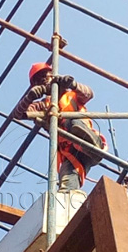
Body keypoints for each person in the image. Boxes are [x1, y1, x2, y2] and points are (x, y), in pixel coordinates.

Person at [13, 62, 107, 191]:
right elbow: (18, 114)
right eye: (40, 80)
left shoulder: (71, 95)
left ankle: (92, 146)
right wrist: (29, 98)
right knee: (67, 180)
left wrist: (73, 84)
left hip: (85, 135)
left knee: (72, 121)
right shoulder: (42, 105)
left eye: (46, 76)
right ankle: (69, 202)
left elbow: (88, 93)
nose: (45, 80)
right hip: (69, 151)